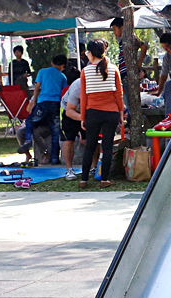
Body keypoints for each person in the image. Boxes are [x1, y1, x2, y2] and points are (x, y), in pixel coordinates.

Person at [78, 39, 123, 189]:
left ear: (91, 53)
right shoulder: (113, 69)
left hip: (92, 113)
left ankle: (84, 179)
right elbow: (118, 94)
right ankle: (104, 179)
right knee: (107, 146)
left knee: (90, 146)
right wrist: (121, 113)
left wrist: (83, 117)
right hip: (111, 112)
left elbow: (84, 96)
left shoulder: (85, 71)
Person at [19, 53, 67, 164]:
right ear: (62, 66)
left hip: (43, 103)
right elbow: (64, 93)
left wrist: (33, 102)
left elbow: (36, 88)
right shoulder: (62, 77)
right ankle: (55, 158)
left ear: (52, 62)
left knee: (31, 120)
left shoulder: (42, 72)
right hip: (55, 105)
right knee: (55, 131)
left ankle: (27, 141)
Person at [60, 66, 82, 172]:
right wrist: (83, 118)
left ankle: (94, 166)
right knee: (69, 139)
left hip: (84, 112)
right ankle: (69, 169)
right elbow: (69, 111)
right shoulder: (76, 87)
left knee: (90, 139)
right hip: (68, 112)